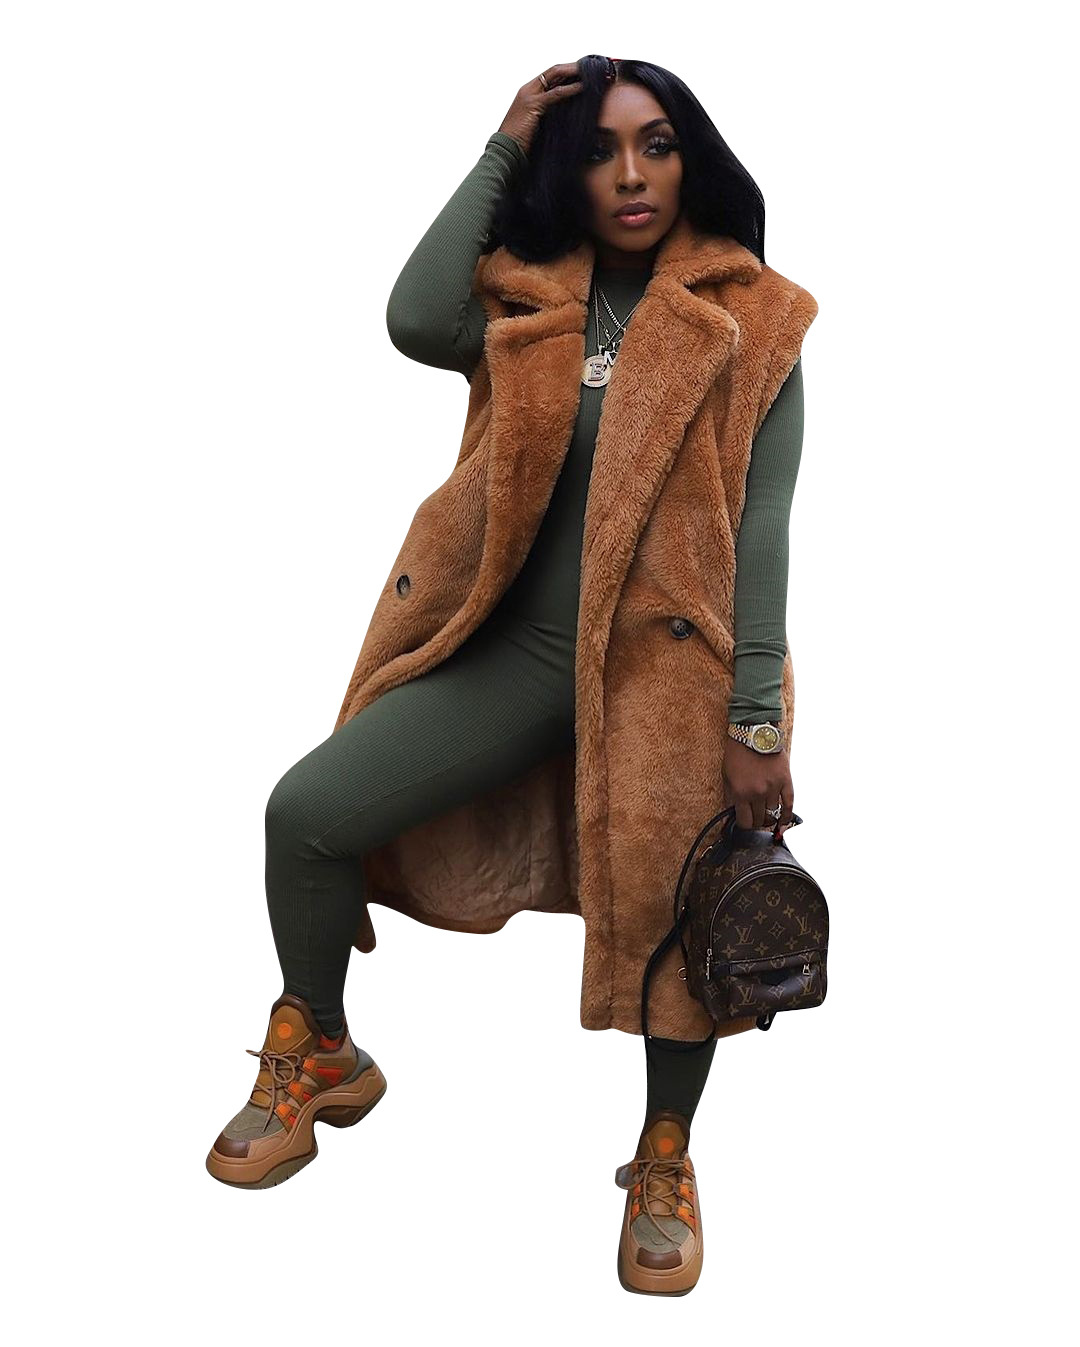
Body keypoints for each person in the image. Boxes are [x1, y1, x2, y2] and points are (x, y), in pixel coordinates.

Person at [206, 56, 813, 1297]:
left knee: (681, 919)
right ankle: (321, 1047)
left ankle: (664, 1155)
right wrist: (499, 144)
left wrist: (756, 716)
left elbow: (763, 528)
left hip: (674, 669)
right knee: (307, 813)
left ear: (692, 157)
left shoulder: (758, 320)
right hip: (518, 657)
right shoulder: (525, 296)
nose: (630, 175)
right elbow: (412, 319)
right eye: (597, 151)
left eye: (655, 145)